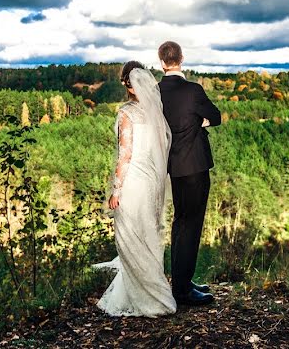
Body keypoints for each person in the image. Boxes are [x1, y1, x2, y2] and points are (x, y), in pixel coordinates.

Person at [94, 61, 176, 317]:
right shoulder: (155, 114)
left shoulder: (126, 113)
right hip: (152, 182)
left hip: (133, 183)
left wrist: (116, 190)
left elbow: (125, 154)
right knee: (148, 235)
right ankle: (147, 292)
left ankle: (150, 299)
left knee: (128, 238)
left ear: (126, 84)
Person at [157, 41, 221, 307]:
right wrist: (199, 120)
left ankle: (181, 281)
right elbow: (215, 116)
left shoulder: (156, 91)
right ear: (181, 59)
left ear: (161, 62)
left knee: (180, 223)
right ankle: (182, 291)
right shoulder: (193, 90)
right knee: (191, 225)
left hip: (172, 168)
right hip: (195, 166)